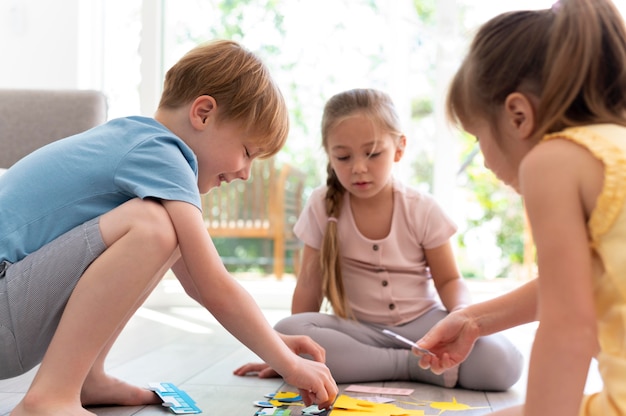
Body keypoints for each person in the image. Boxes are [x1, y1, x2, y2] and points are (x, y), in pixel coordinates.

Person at [0, 39, 338, 415]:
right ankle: (50, 398)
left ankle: (85, 378)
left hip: (10, 313)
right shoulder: (160, 152)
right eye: (247, 151)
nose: (245, 173)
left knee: (166, 229)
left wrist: (273, 342)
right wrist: (289, 364)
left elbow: (194, 278)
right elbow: (213, 283)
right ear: (204, 113)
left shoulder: (138, 145)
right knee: (153, 226)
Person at [412, 0, 626, 414]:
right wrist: (475, 320)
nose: (486, 161)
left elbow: (569, 329)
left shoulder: (552, 162)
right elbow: (586, 281)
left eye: (477, 137)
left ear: (517, 115)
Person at [234, 88, 523, 391]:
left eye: (373, 154)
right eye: (343, 157)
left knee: (502, 363)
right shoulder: (321, 205)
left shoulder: (421, 207)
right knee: (289, 328)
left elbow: (450, 280)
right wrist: (289, 354)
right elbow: (309, 284)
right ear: (329, 154)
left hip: (427, 326)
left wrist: (461, 319)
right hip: (360, 331)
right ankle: (414, 365)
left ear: (399, 148)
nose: (358, 167)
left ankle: (410, 359)